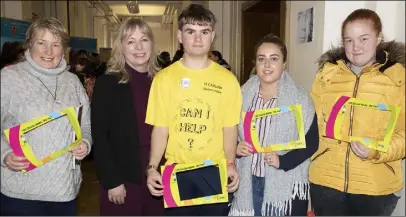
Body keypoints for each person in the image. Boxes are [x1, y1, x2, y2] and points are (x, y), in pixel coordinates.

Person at [145, 4, 242, 216]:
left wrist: (231, 163)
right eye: (191, 31)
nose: (198, 39)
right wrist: (152, 168)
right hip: (176, 172)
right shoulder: (163, 79)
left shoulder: (227, 80)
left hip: (214, 171)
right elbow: (160, 129)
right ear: (180, 35)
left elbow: (230, 129)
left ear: (212, 36)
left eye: (204, 32)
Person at [309, 9, 405, 216]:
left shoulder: (398, 78)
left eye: (363, 38)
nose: (356, 47)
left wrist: (376, 150)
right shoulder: (327, 75)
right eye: (349, 40)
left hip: (376, 188)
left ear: (378, 38)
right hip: (326, 183)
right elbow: (311, 125)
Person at [0, 17, 92, 216]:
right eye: (41, 43)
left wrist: (85, 142)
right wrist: (4, 154)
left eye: (56, 44)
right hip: (21, 193)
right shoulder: (8, 78)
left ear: (64, 49)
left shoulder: (72, 82)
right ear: (30, 44)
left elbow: (85, 123)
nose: (48, 52)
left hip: (64, 191)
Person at [229, 33, 319, 216]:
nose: (267, 65)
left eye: (274, 59)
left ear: (284, 63)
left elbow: (312, 142)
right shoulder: (241, 95)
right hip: (249, 179)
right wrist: (235, 148)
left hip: (285, 182)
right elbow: (228, 132)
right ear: (255, 63)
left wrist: (282, 161)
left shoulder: (300, 98)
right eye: (261, 59)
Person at [91, 17, 163, 216]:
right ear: (121, 47)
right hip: (123, 176)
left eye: (144, 40)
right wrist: (111, 180)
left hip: (158, 175)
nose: (138, 47)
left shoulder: (162, 81)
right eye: (131, 41)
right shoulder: (108, 84)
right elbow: (100, 136)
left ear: (152, 44)